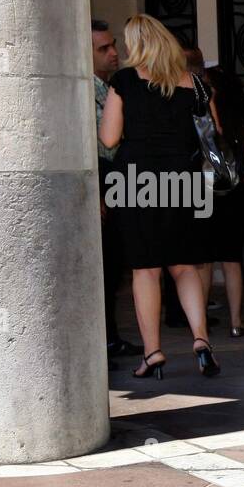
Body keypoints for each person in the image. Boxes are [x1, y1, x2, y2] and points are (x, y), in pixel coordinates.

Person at [98, 14, 221, 379]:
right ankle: (201, 341)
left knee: (146, 270)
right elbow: (213, 134)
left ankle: (153, 353)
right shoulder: (194, 83)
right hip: (182, 179)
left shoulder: (125, 81)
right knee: (183, 266)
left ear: (137, 44)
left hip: (136, 181)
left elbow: (108, 139)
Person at [92, 19, 137, 365]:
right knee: (102, 268)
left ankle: (111, 338)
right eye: (103, 48)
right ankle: (102, 342)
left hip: (117, 181)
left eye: (113, 46)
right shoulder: (83, 91)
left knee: (114, 266)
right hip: (100, 181)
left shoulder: (113, 87)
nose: (113, 53)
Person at [201, 65, 244, 338]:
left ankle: (200, 324)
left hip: (208, 191)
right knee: (232, 260)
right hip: (233, 193)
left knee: (205, 261)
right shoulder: (241, 118)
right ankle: (236, 322)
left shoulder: (204, 115)